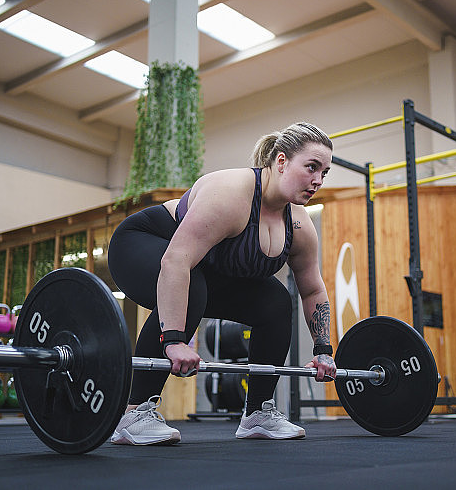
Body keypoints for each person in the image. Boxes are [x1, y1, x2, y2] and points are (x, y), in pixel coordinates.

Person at [106, 122, 336, 445]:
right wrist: (173, 340)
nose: (318, 180)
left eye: (324, 172)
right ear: (281, 161)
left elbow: (312, 289)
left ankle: (258, 413)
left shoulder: (299, 225)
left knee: (276, 301)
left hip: (197, 270)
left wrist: (323, 350)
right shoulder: (232, 195)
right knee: (193, 288)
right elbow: (176, 261)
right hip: (143, 244)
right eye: (312, 167)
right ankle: (133, 413)